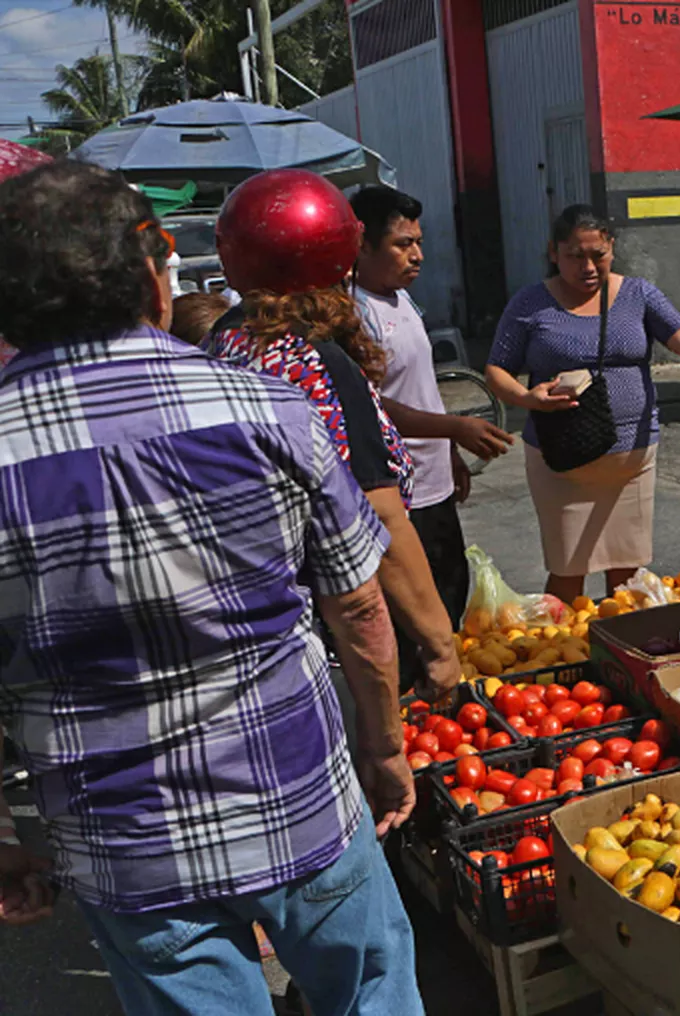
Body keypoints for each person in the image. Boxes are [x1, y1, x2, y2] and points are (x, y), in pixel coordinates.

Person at [0, 162, 422, 1012]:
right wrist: (382, 749)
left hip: (128, 848)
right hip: (301, 801)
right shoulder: (269, 412)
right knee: (371, 993)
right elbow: (361, 609)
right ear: (155, 281)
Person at [205, 169, 460, 698]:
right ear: (341, 259)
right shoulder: (316, 364)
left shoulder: (218, 345)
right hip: (326, 637)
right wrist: (439, 642)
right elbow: (377, 516)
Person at [486, 205, 680, 603]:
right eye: (575, 256)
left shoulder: (638, 294)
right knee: (568, 568)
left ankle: (618, 652)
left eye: (598, 255)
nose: (588, 266)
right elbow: (497, 369)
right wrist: (526, 398)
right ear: (554, 252)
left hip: (631, 461)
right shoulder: (530, 303)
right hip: (561, 458)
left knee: (628, 576)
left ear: (612, 248)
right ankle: (564, 650)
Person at [350, 185, 514, 639]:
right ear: (362, 244)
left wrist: (449, 452)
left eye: (419, 242)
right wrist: (454, 427)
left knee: (450, 593)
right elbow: (368, 405)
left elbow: (422, 387)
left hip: (434, 482)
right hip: (395, 494)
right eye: (404, 244)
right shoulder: (352, 312)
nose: (418, 255)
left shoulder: (401, 299)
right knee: (414, 621)